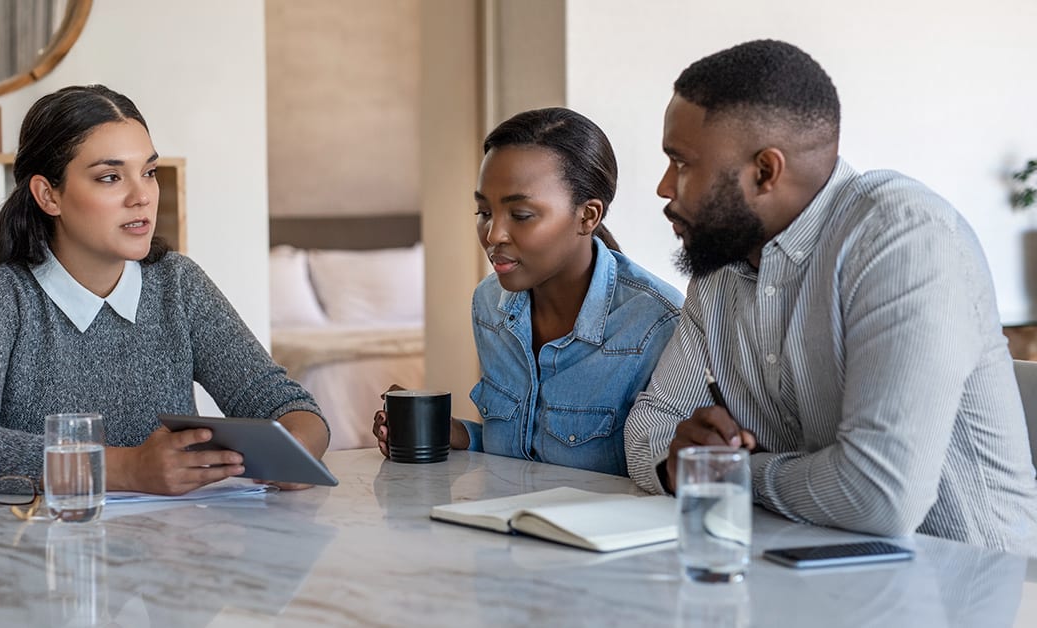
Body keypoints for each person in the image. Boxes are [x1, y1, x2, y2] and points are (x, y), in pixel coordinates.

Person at [624, 40, 1037, 553]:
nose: (665, 187)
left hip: (973, 587)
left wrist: (729, 474)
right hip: (811, 574)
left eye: (681, 163)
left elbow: (879, 496)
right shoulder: (720, 271)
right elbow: (649, 429)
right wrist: (675, 463)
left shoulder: (903, 238)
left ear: (765, 172)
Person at [0, 85, 329, 495]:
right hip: (33, 558)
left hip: (166, 557)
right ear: (47, 195)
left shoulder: (177, 283)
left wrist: (294, 453)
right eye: (110, 177)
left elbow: (287, 404)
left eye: (149, 171)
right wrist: (125, 469)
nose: (142, 196)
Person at [373, 107, 684, 476]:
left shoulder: (654, 323)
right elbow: (526, 452)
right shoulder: (490, 304)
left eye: (520, 215)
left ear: (588, 216)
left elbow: (661, 472)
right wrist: (458, 434)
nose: (493, 236)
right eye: (484, 212)